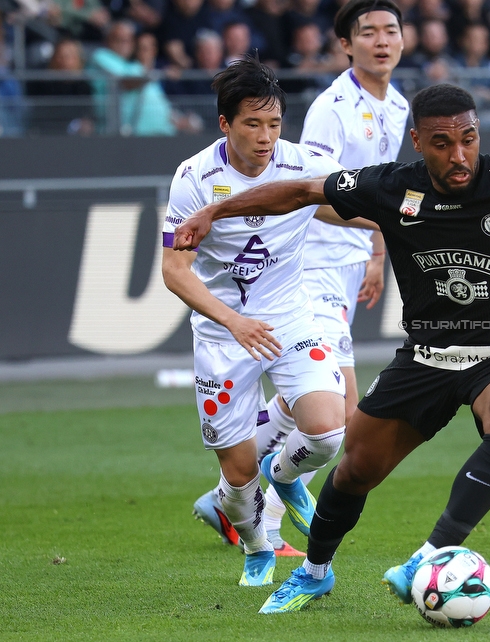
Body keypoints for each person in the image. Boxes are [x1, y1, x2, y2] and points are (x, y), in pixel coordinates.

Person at [172, 82, 490, 614]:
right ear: (418, 142)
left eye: (468, 139)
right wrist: (214, 213)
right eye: (442, 143)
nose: (459, 155)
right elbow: (301, 193)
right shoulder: (390, 186)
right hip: (427, 355)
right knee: (354, 468)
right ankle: (314, 573)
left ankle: (425, 559)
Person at [193, 0, 407, 559]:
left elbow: (369, 192)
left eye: (391, 30)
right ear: (346, 45)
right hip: (310, 266)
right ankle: (265, 508)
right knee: (342, 412)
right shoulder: (332, 109)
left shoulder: (398, 104)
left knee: (310, 406)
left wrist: (378, 249)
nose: (382, 41)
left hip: (349, 262)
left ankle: (230, 498)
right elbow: (311, 193)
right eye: (368, 32)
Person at [161, 56, 349, 586]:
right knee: (238, 476)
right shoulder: (194, 178)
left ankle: (285, 477)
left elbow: (347, 205)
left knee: (328, 430)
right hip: (223, 336)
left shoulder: (304, 164)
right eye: (252, 124)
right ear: (225, 123)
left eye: (274, 123)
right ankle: (255, 547)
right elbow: (175, 269)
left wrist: (399, 219)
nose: (266, 137)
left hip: (291, 317)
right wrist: (233, 322)